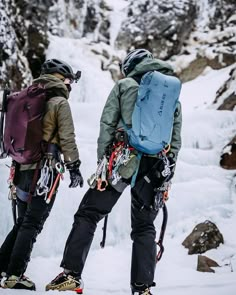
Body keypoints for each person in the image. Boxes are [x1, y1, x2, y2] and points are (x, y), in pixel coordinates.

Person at [46, 49, 182, 295]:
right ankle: (142, 288)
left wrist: (102, 164)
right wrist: (167, 172)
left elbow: (107, 123)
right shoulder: (170, 92)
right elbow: (175, 138)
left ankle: (71, 275)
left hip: (121, 161)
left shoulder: (125, 85)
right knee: (144, 227)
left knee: (88, 213)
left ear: (129, 66)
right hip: (154, 168)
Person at [0, 59, 84, 290]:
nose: (69, 85)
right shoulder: (58, 102)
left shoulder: (25, 97)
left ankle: (3, 267)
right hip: (44, 173)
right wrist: (74, 166)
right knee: (32, 224)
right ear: (59, 78)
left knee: (22, 223)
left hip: (20, 169)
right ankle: (15, 275)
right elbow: (67, 138)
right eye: (67, 80)